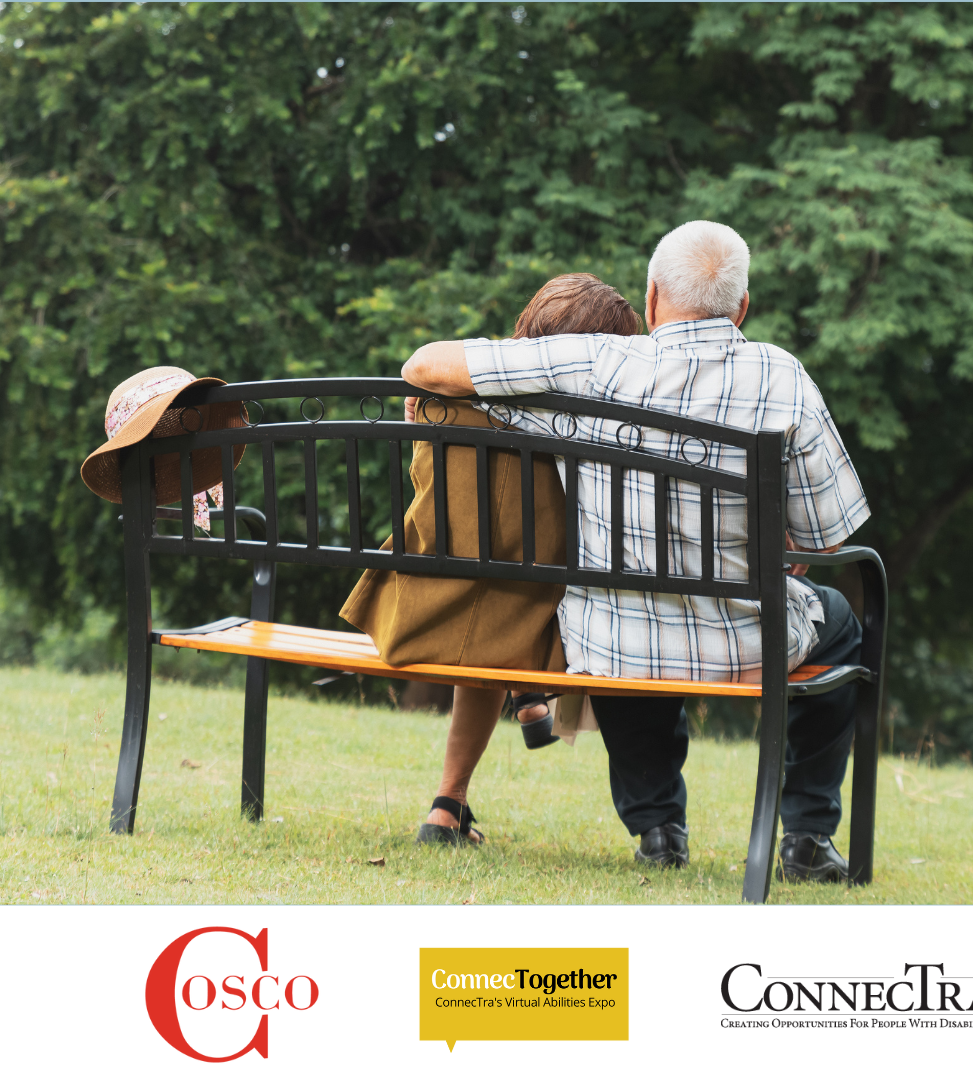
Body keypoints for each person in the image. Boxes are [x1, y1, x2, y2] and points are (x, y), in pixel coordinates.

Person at [401, 220, 871, 881]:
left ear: (651, 299)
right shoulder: (784, 376)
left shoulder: (594, 363)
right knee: (842, 619)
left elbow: (422, 366)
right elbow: (829, 538)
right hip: (747, 643)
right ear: (741, 309)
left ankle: (656, 826)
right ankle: (807, 837)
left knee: (627, 623)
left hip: (613, 643)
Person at [339, 274, 641, 845]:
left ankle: (448, 807)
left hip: (415, 614)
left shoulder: (442, 403)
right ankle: (524, 700)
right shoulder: (591, 427)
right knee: (508, 592)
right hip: (522, 629)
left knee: (484, 583)